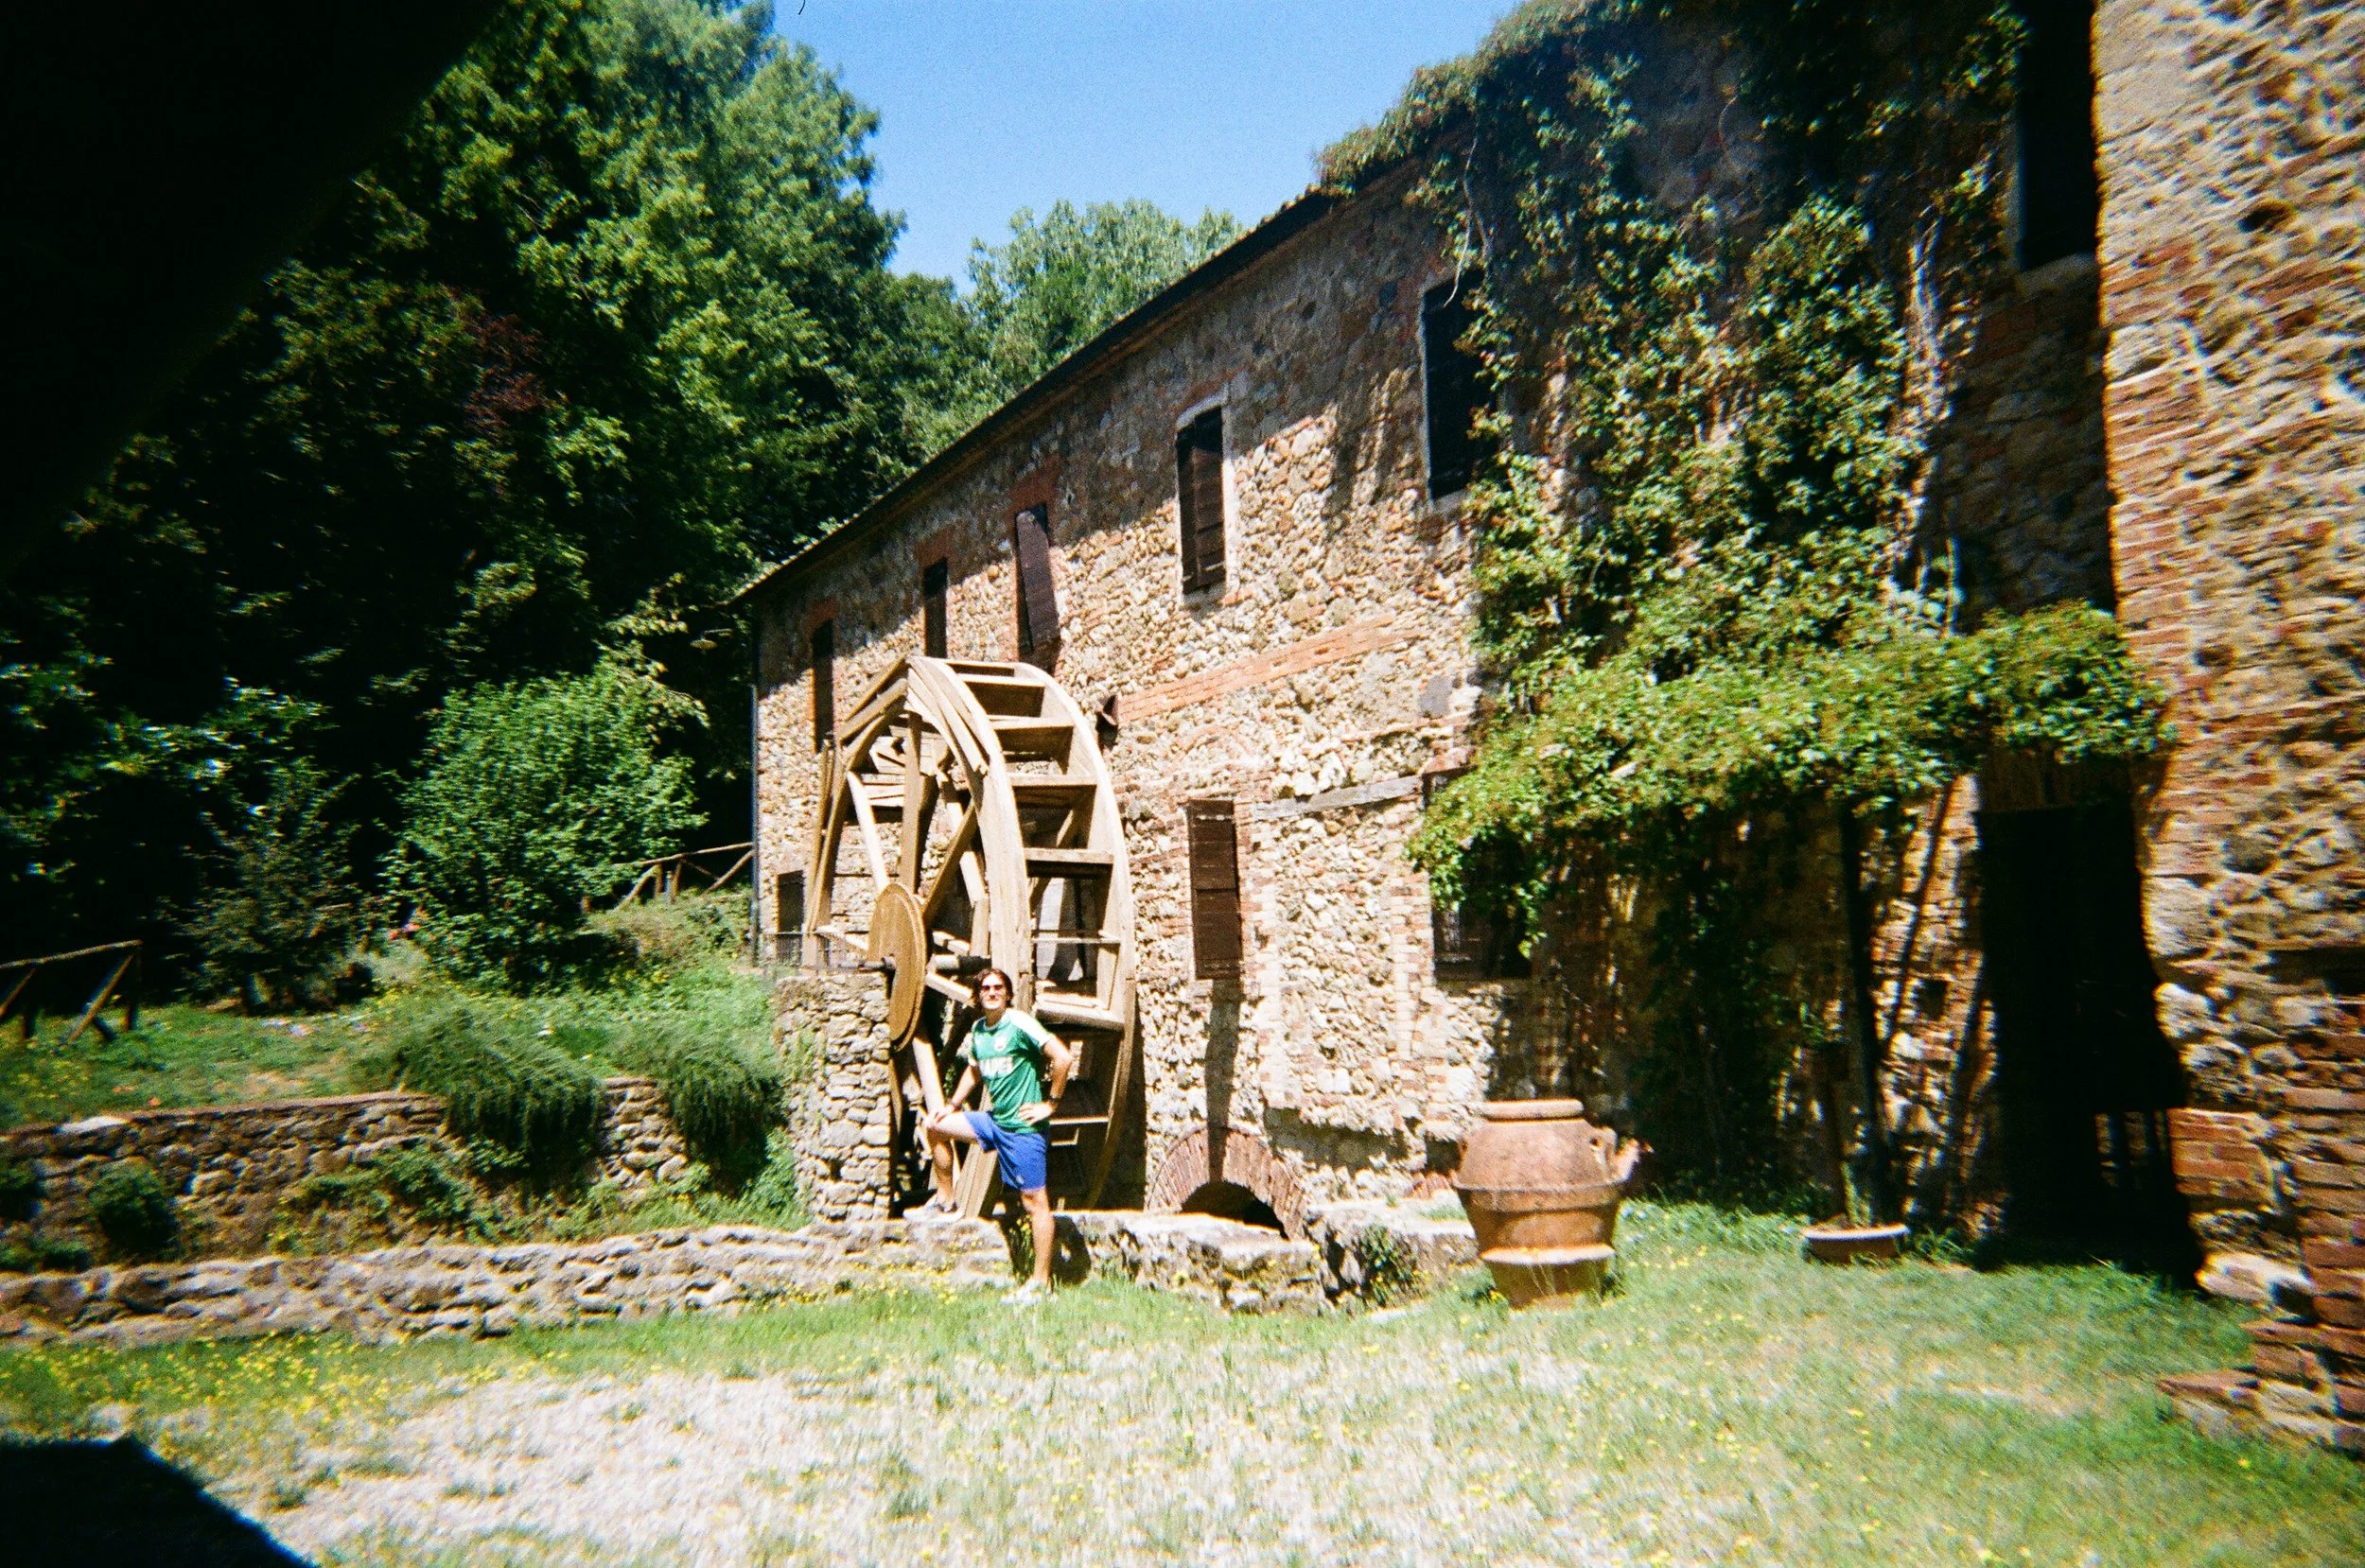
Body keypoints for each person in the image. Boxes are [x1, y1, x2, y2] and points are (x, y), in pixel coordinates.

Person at [919, 967, 1074, 1302]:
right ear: (977, 995)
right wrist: (952, 1104)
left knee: (1035, 1204)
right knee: (934, 1126)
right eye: (986, 988)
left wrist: (1051, 1104)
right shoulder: (978, 1030)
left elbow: (1063, 1057)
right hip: (995, 1121)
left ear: (1007, 993)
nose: (992, 992)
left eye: (998, 988)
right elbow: (975, 1070)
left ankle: (1040, 1284)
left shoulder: (1019, 1024)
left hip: (1023, 1129)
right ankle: (946, 1202)